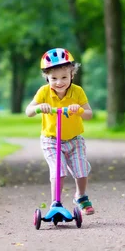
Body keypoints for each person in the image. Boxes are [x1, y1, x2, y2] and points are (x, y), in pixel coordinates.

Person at [25, 47, 95, 215]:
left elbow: (89, 114)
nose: (59, 82)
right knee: (58, 170)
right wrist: (38, 107)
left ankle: (81, 196)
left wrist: (78, 110)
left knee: (81, 170)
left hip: (74, 140)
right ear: (46, 77)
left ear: (72, 74)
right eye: (53, 78)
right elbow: (28, 112)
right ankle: (56, 203)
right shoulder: (44, 92)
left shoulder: (77, 92)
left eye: (64, 77)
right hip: (51, 140)